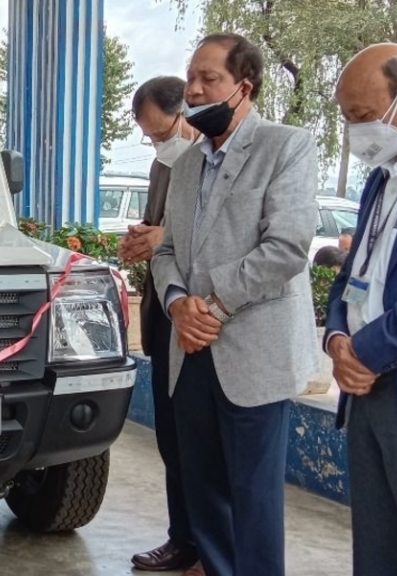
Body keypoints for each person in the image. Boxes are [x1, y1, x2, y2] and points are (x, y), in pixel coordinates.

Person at [151, 33, 318, 576]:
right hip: (191, 347)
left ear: (243, 87)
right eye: (191, 77)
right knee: (202, 489)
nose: (194, 90)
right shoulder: (186, 163)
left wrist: (212, 307)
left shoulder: (286, 146)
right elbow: (168, 250)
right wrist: (178, 304)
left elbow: (287, 246)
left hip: (250, 350)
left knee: (252, 494)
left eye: (209, 79)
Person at [327, 43, 397, 575]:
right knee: (376, 551)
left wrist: (365, 350)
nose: (354, 133)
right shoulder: (382, 177)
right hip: (363, 392)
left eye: (363, 117)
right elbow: (352, 273)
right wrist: (337, 337)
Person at [120, 75, 204, 576]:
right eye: (150, 137)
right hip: (163, 319)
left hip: (202, 322)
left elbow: (220, 235)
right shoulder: (161, 167)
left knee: (200, 445)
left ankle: (206, 546)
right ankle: (182, 540)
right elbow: (158, 234)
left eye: (161, 133)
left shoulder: (217, 164)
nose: (158, 144)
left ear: (185, 114)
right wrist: (140, 242)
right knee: (171, 441)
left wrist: (163, 238)